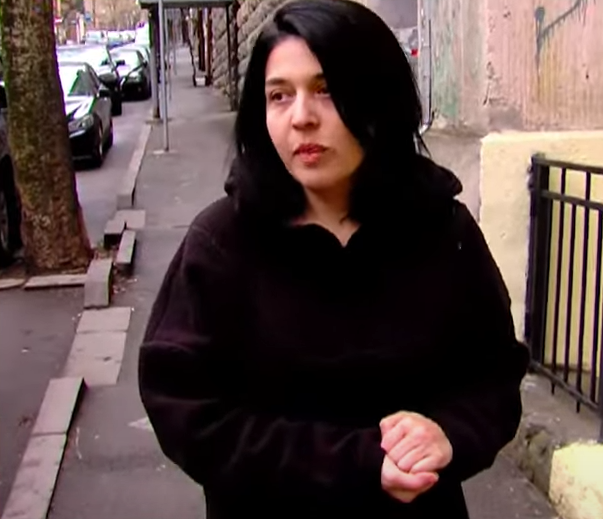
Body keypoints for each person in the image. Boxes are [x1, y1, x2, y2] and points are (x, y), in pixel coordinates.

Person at [138, 1, 529, 518]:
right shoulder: (222, 244)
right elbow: (186, 409)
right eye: (279, 95)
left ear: (381, 98)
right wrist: (356, 462)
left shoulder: (442, 232)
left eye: (326, 89)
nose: (301, 117)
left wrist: (449, 435)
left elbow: (494, 378)